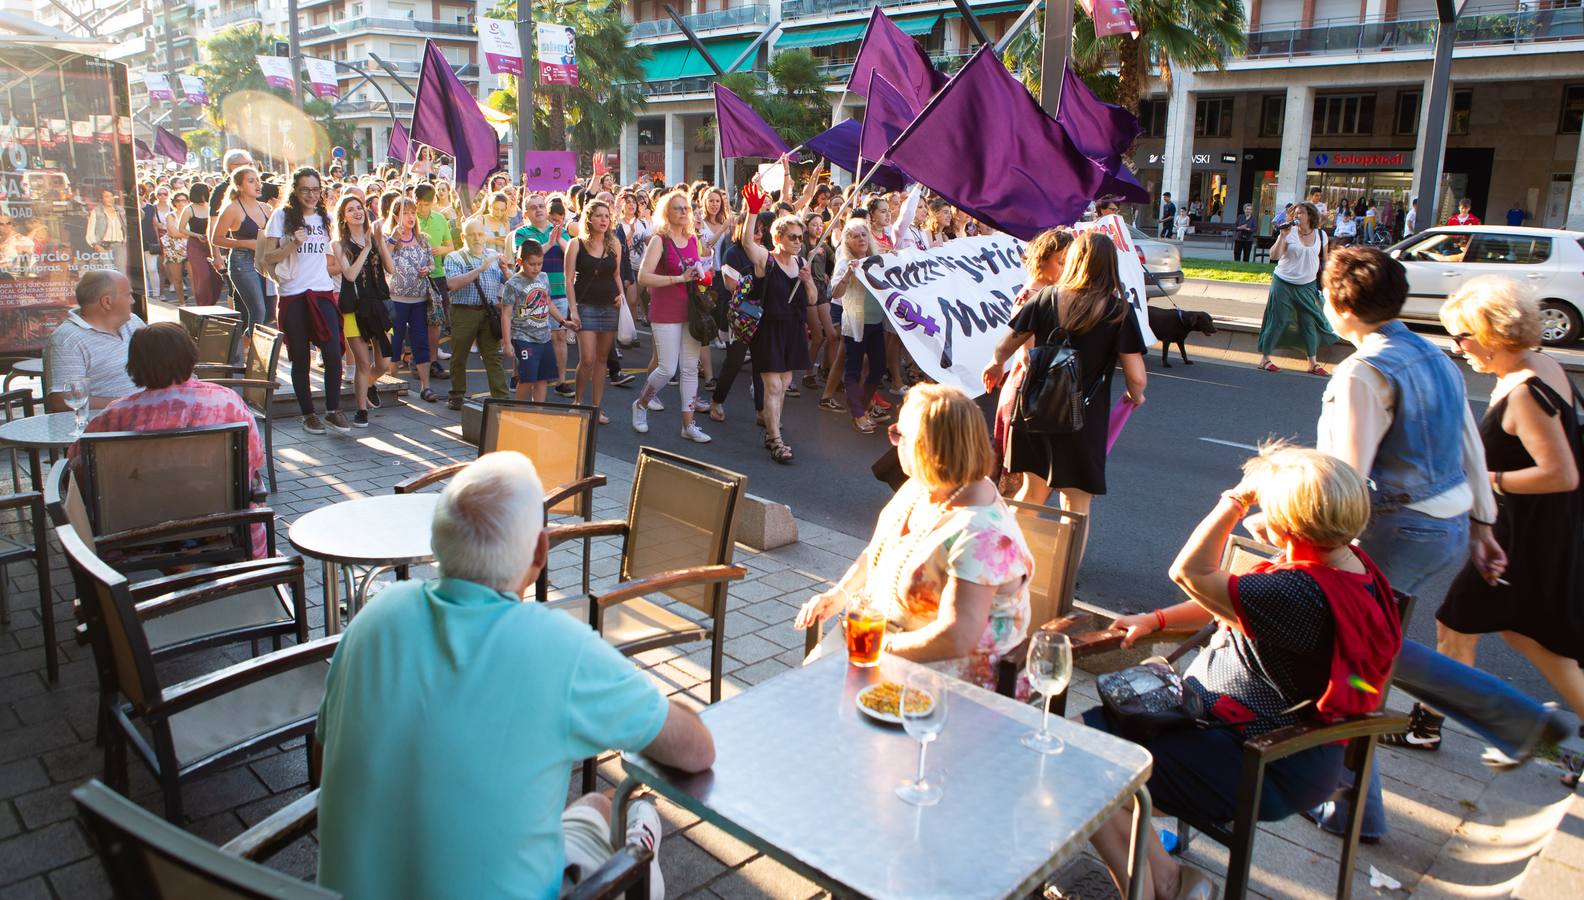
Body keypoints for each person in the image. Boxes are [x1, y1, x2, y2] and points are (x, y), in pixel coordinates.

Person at [313, 452, 715, 899]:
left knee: (597, 806)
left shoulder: (374, 618)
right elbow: (696, 750)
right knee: (633, 820)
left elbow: (328, 745)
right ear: (541, 549)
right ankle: (643, 838)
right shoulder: (559, 649)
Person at [1091, 444, 1402, 900]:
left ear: (1288, 524)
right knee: (1075, 738)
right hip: (1259, 739)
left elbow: (1190, 572)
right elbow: (1233, 603)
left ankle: (1171, 886)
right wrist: (1156, 620)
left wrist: (1235, 499)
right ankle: (1158, 872)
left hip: (1262, 761)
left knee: (1085, 766)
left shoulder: (1297, 590)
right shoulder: (1343, 562)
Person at [795, 384, 1033, 689]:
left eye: (899, 435)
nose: (893, 441)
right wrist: (839, 594)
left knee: (810, 706)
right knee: (800, 696)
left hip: (949, 683)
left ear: (927, 450)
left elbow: (956, 637)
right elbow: (878, 551)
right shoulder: (926, 484)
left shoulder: (981, 533)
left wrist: (877, 645)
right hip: (883, 642)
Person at [1434, 277, 1584, 730]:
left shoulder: (1523, 391)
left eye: (1461, 336)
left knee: (1456, 625)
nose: (1458, 347)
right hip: (1541, 530)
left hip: (1526, 538)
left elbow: (1561, 473)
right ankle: (1429, 723)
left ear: (1489, 334)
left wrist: (1485, 478)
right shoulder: (1540, 365)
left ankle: (1426, 727)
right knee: (1529, 636)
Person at [980, 232, 1147, 562]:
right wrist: (1134, 395)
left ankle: (1011, 566)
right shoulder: (1117, 310)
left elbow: (1005, 346)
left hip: (1035, 410)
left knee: (1030, 495)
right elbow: (1137, 376)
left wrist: (997, 365)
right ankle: (1061, 577)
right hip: (1081, 419)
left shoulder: (1046, 298)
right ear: (1110, 267)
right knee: (1076, 504)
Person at [74, 322, 267, 556]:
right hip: (217, 523)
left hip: (134, 530)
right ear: (190, 356)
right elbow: (254, 459)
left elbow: (79, 471)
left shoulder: (114, 416)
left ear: (135, 364)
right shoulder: (226, 402)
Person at [258, 166, 349, 436]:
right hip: (293, 294)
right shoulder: (282, 216)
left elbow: (329, 257)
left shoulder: (326, 218)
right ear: (295, 191)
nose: (310, 195)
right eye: (304, 189)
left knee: (333, 352)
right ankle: (308, 414)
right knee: (300, 358)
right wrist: (291, 245)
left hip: (321, 291)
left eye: (315, 189)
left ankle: (333, 410)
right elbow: (267, 259)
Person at [989, 228, 1072, 495]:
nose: (1065, 269)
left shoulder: (1053, 291)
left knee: (1031, 483)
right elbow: (1027, 354)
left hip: (1035, 386)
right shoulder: (1033, 296)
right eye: (1061, 262)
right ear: (1043, 258)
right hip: (1029, 387)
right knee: (1021, 483)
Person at [735, 214, 814, 462]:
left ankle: (772, 432)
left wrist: (808, 281)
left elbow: (812, 299)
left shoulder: (801, 262)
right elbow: (747, 242)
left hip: (792, 330)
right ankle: (776, 440)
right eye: (792, 237)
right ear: (777, 237)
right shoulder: (765, 260)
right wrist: (752, 212)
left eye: (800, 238)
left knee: (784, 385)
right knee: (773, 386)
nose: (798, 242)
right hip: (768, 329)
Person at [633, 188, 708, 443]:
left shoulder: (692, 239)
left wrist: (701, 275)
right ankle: (641, 404)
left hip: (691, 311)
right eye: (679, 208)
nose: (685, 212)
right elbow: (643, 277)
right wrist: (678, 278)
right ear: (667, 212)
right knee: (666, 368)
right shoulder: (659, 240)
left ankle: (688, 425)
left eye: (686, 207)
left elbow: (696, 270)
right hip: (665, 311)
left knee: (689, 369)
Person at [332, 194, 394, 427]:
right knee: (362, 363)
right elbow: (349, 275)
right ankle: (361, 411)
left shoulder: (375, 238)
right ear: (343, 217)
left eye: (359, 207)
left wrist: (378, 241)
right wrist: (367, 248)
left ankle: (368, 385)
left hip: (378, 305)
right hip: (354, 308)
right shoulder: (338, 244)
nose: (357, 212)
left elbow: (390, 268)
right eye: (350, 209)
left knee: (384, 363)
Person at [45, 270, 144, 412]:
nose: (132, 301)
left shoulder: (133, 322)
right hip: (108, 427)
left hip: (150, 417)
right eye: (128, 295)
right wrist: (131, 404)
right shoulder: (67, 340)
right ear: (107, 302)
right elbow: (62, 401)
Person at [1255, 202, 1336, 376]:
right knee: (1279, 320)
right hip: (1283, 282)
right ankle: (1265, 359)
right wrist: (1282, 236)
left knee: (1308, 321)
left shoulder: (1321, 235)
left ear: (1311, 216)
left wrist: (1329, 281)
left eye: (1301, 213)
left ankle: (1312, 363)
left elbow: (1325, 260)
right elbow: (1273, 256)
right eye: (1296, 213)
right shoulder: (1288, 233)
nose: (1297, 216)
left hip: (1307, 285)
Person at [564, 199, 624, 422]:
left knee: (601, 359)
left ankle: (596, 407)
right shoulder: (576, 244)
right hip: (585, 305)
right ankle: (578, 402)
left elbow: (617, 275)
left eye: (607, 216)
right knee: (587, 358)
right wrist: (574, 310)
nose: (604, 220)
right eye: (599, 215)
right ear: (589, 218)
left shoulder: (614, 244)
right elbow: (568, 280)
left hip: (609, 306)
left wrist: (621, 297)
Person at [442, 219, 510, 410]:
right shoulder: (455, 257)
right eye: (472, 235)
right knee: (459, 355)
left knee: (493, 356)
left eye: (480, 234)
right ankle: (456, 394)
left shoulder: (494, 256)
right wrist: (480, 269)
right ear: (463, 237)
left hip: (489, 312)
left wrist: (505, 269)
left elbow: (511, 283)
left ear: (485, 235)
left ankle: (501, 398)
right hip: (464, 311)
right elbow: (452, 284)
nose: (477, 238)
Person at [514, 194, 573, 395]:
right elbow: (528, 257)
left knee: (559, 336)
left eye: (541, 206)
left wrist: (559, 240)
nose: (538, 210)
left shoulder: (560, 230)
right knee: (528, 337)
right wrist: (548, 243)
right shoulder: (521, 233)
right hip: (530, 294)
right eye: (533, 207)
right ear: (526, 213)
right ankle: (521, 375)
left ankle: (561, 381)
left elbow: (571, 253)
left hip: (558, 290)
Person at [384, 197, 440, 404]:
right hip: (396, 298)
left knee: (420, 341)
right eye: (405, 213)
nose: (410, 217)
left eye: (412, 213)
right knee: (395, 342)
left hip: (419, 298)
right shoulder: (389, 237)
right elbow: (383, 261)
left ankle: (426, 386)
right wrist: (392, 239)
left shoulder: (423, 238)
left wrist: (428, 269)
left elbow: (431, 263)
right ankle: (394, 383)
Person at [502, 240, 571, 402]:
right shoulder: (513, 284)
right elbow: (506, 315)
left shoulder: (544, 277)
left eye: (540, 263)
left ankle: (537, 411)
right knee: (527, 379)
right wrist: (507, 342)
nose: (537, 268)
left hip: (544, 337)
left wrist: (563, 321)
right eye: (532, 264)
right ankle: (519, 413)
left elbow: (548, 302)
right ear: (520, 262)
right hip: (523, 337)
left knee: (542, 379)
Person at [413, 184, 454, 378]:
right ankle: (418, 359)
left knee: (436, 320)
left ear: (433, 203)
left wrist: (442, 250)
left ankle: (433, 360)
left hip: (437, 275)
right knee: (417, 321)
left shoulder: (440, 219)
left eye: (426, 204)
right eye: (420, 204)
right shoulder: (411, 219)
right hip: (416, 276)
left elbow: (451, 245)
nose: (423, 209)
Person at [178, 183, 223, 307]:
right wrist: (196, 235)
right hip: (195, 244)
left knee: (217, 276)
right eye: (202, 193)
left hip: (211, 244)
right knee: (203, 276)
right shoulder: (189, 209)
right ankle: (203, 304)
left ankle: (212, 303)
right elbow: (181, 229)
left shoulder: (211, 207)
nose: (204, 196)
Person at [86, 188, 127, 273]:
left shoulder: (120, 210)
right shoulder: (97, 212)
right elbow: (90, 230)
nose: (110, 199)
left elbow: (124, 226)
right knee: (109, 272)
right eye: (107, 196)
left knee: (122, 272)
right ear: (102, 199)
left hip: (119, 245)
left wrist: (125, 238)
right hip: (103, 245)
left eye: (112, 196)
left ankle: (120, 286)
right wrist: (96, 245)